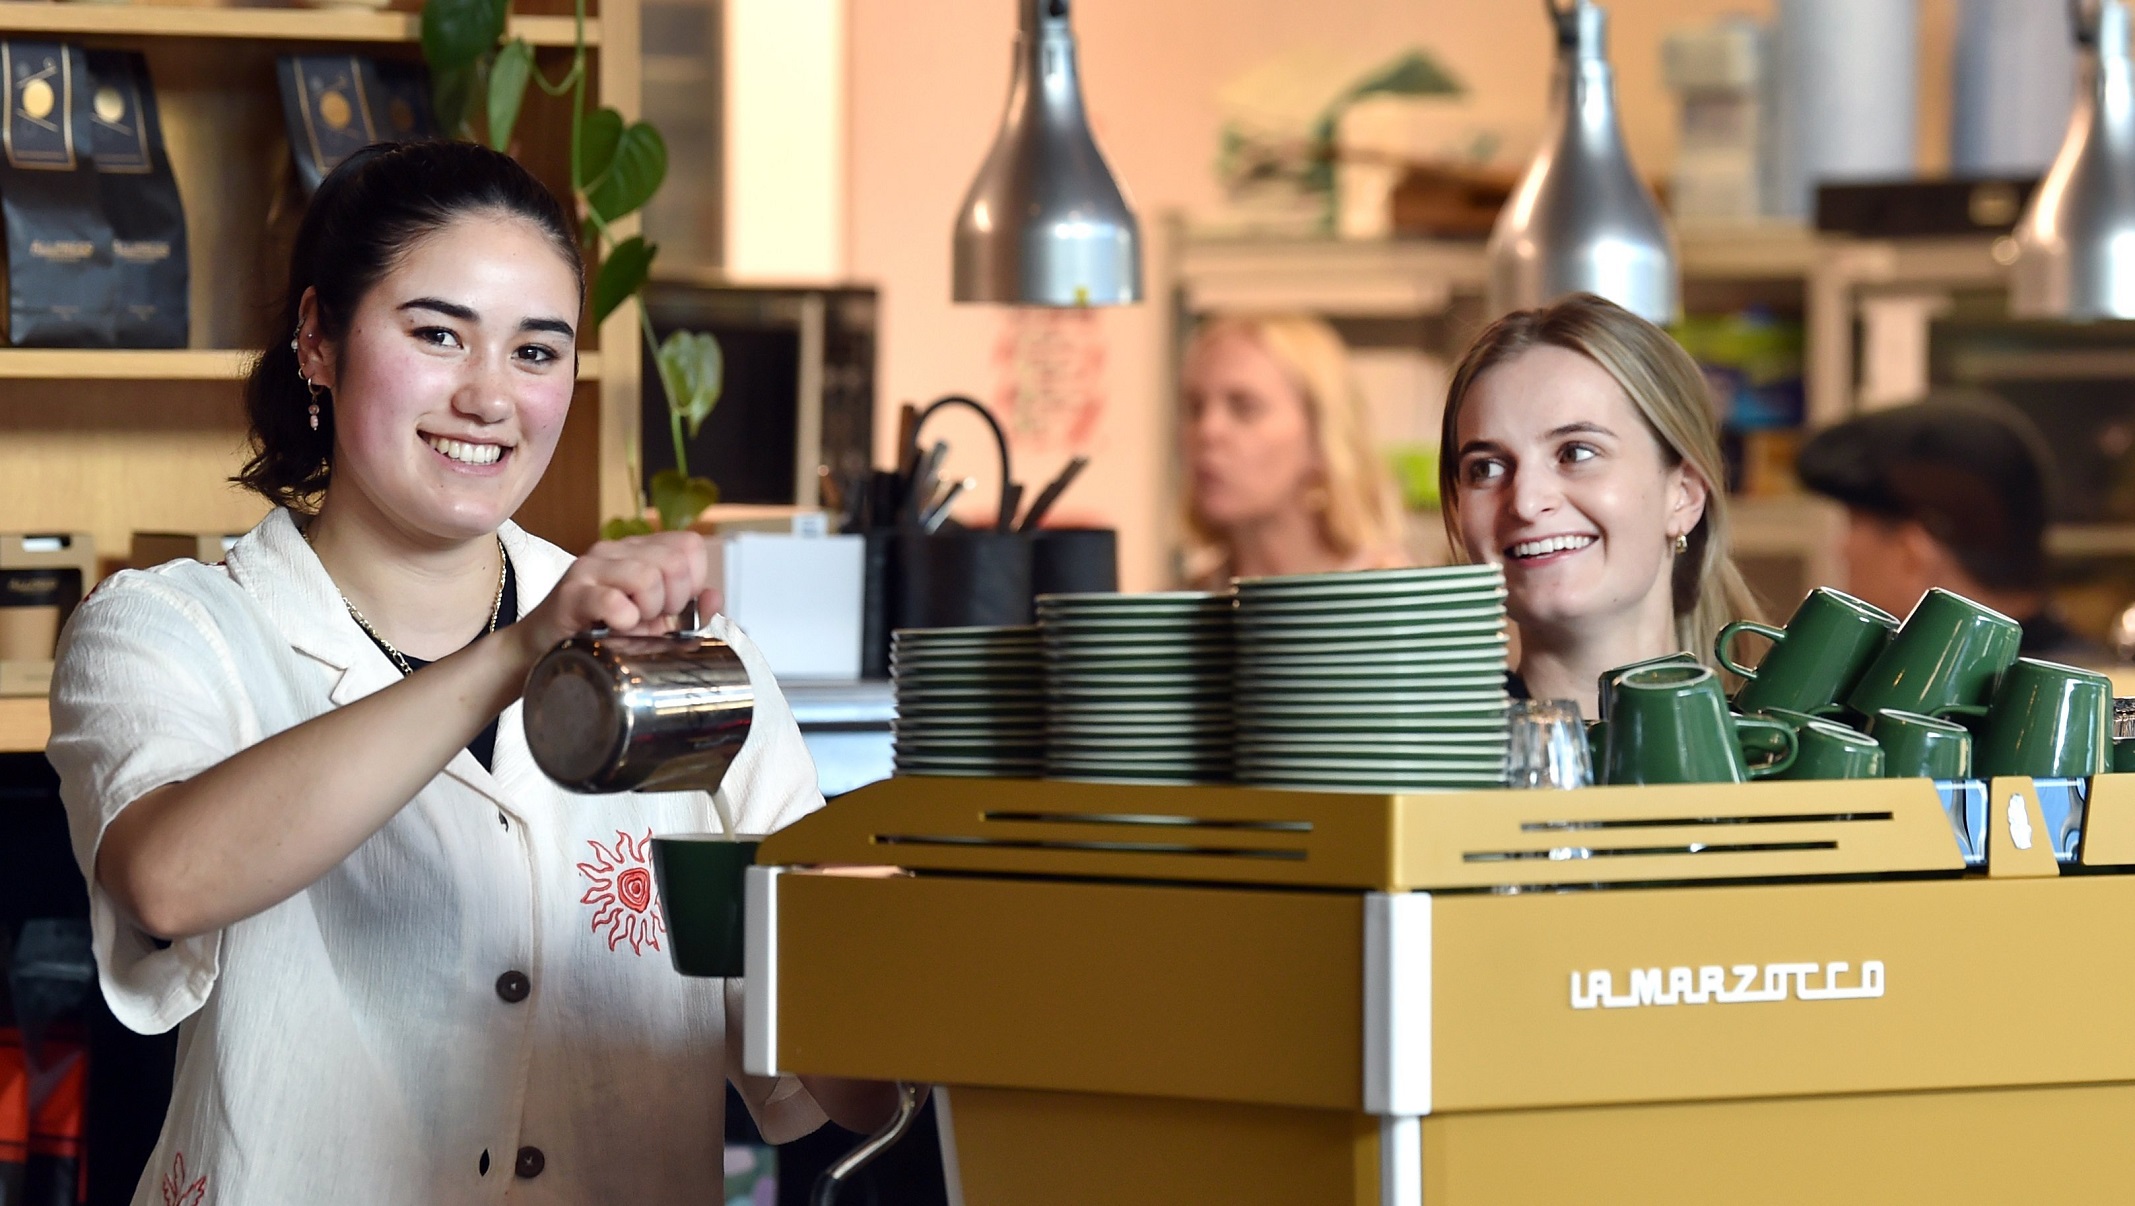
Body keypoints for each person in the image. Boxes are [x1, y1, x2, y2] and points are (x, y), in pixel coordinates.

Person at [44, 141, 896, 1205]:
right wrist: (522, 652)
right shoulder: (172, 629)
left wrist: (890, 927)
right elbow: (165, 881)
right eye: (438, 334)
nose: (490, 397)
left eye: (536, 353)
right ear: (318, 338)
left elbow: (846, 1090)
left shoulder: (685, 662)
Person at [1438, 293, 1763, 717]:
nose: (1526, 501)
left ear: (1684, 494)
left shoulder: (1778, 760)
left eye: (1575, 453)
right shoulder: (1428, 764)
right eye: (1486, 469)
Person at [1795, 390, 2113, 666]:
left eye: (1854, 524)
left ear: (1913, 551)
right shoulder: (2097, 695)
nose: (1842, 548)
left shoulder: (1915, 709)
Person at [1178, 313, 1407, 588]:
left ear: (1321, 435)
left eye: (1244, 407)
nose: (1208, 431)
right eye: (1195, 408)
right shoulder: (1177, 611)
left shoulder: (1395, 601)